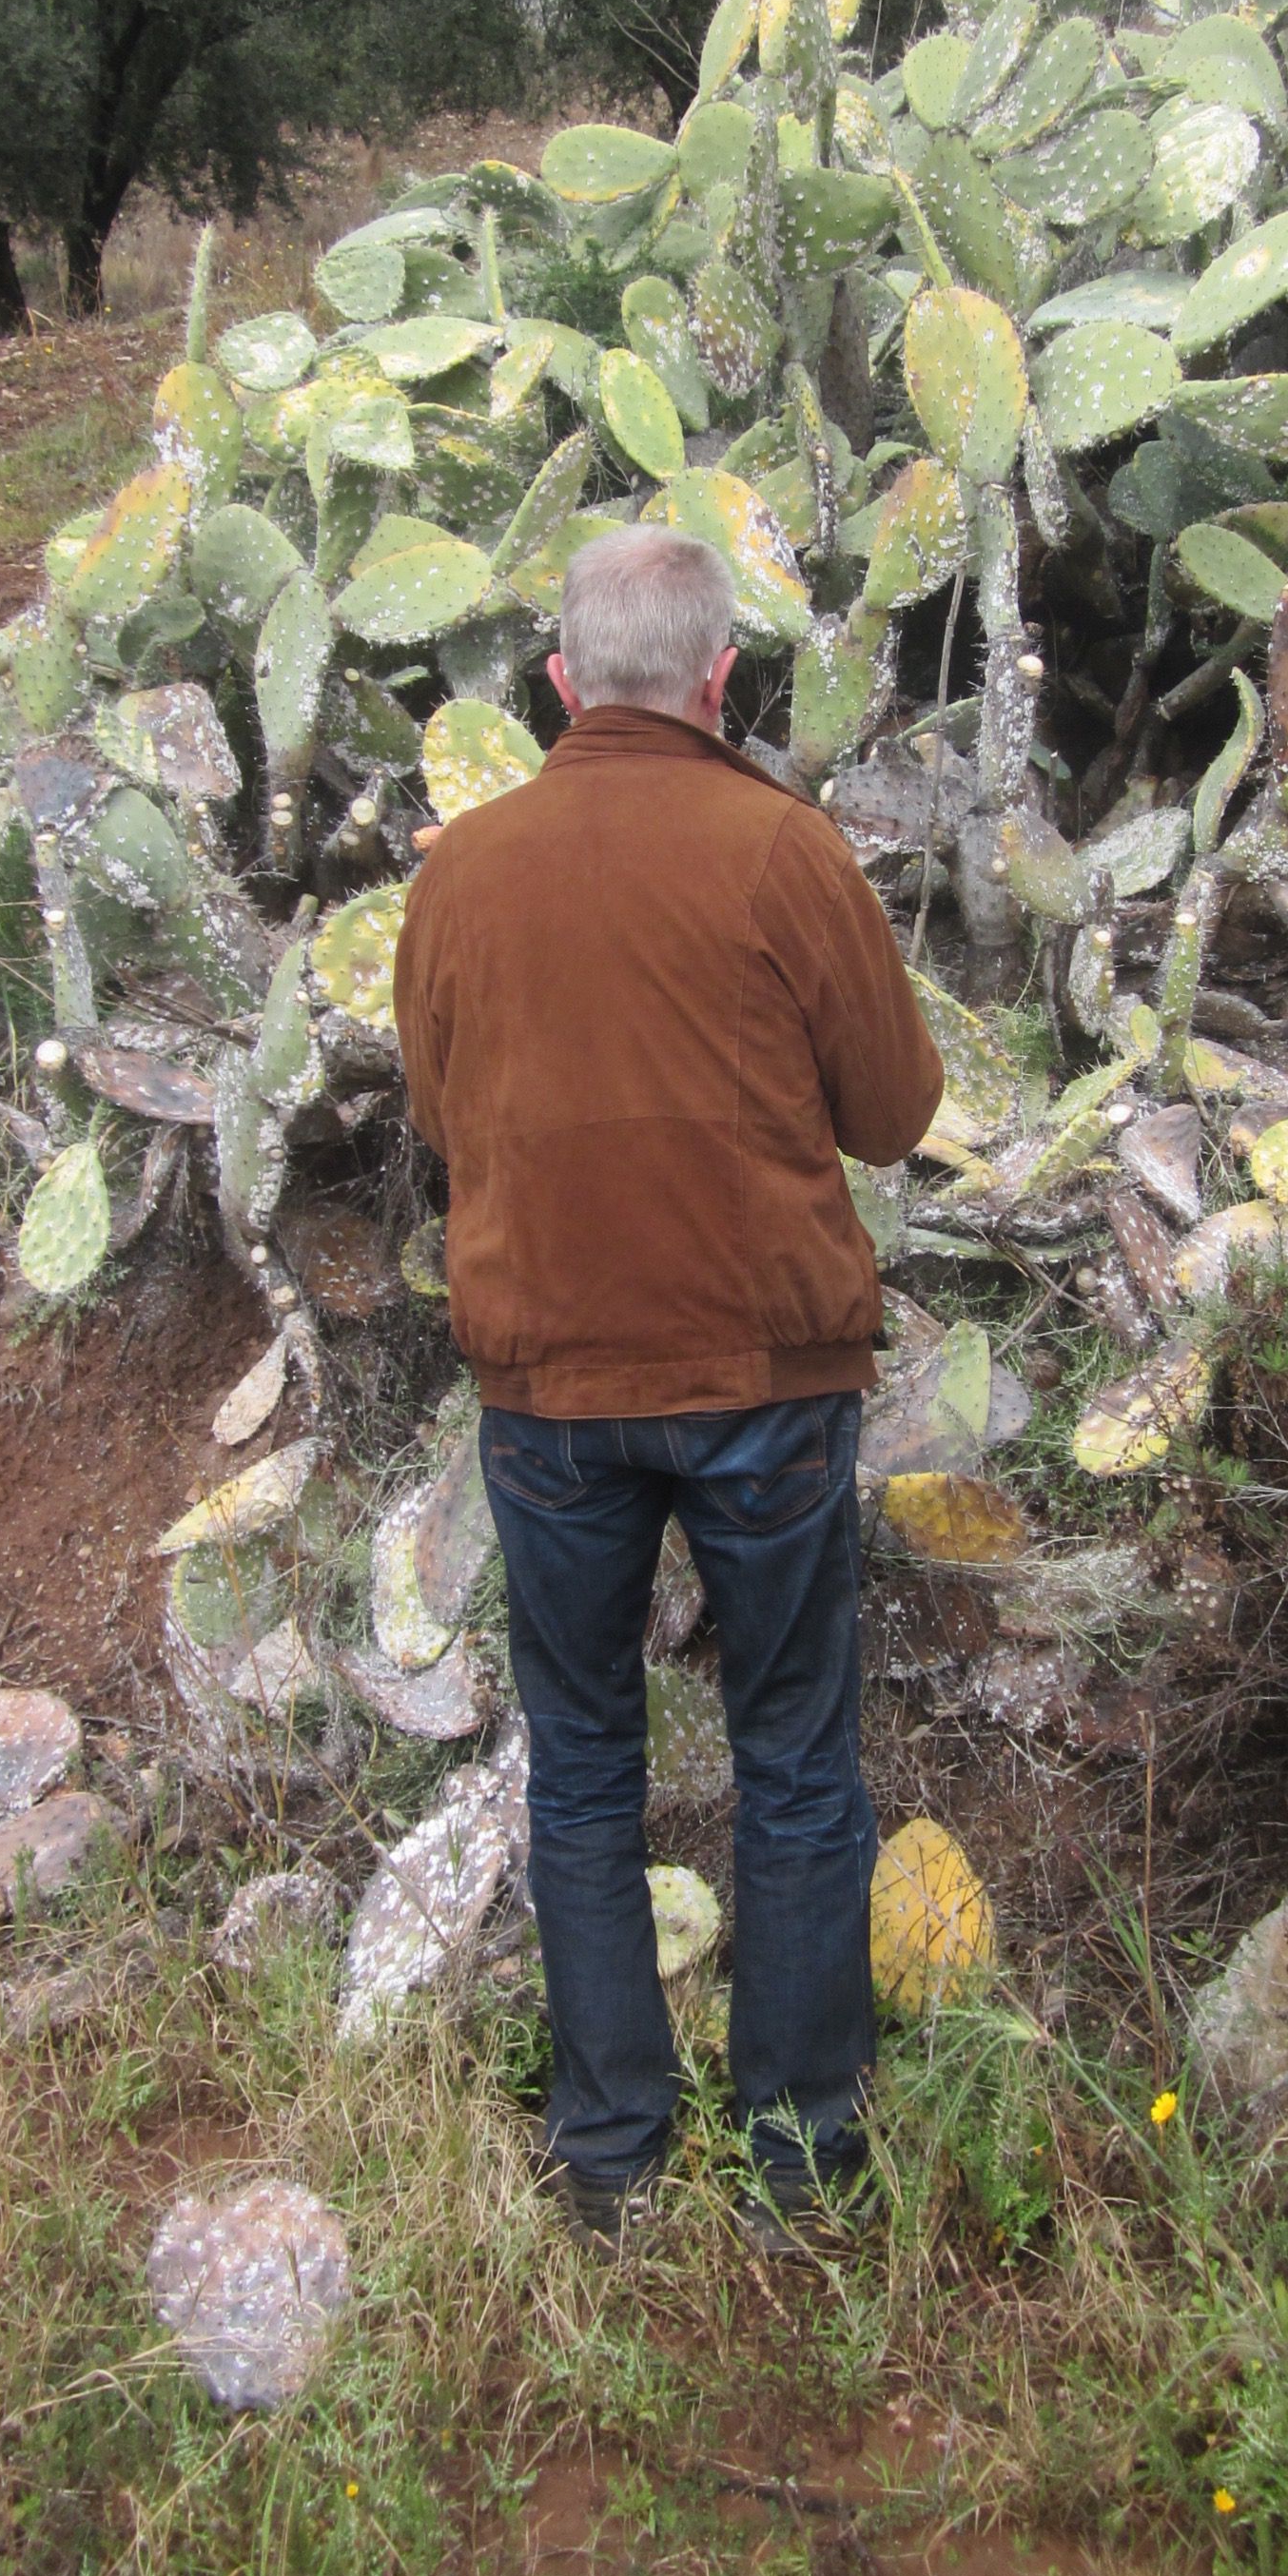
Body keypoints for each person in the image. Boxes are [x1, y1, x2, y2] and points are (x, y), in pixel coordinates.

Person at [393, 523, 945, 2253]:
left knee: (581, 1767)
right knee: (790, 1758)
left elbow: (434, 1114)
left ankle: (614, 2158)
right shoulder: (786, 855)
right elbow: (897, 1115)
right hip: (767, 1384)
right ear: (721, 679)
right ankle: (798, 2163)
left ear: (560, 680)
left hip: (548, 1392)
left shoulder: (460, 876)